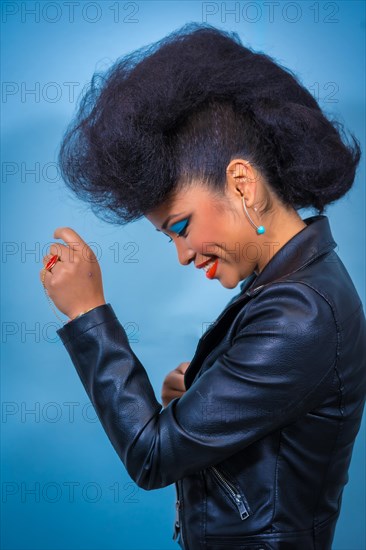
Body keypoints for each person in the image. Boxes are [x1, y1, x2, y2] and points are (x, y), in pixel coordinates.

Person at [40, 23, 366, 549]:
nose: (184, 254)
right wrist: (202, 394)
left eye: (182, 227)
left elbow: (152, 456)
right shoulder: (296, 284)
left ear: (242, 183)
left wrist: (86, 313)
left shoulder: (299, 312)